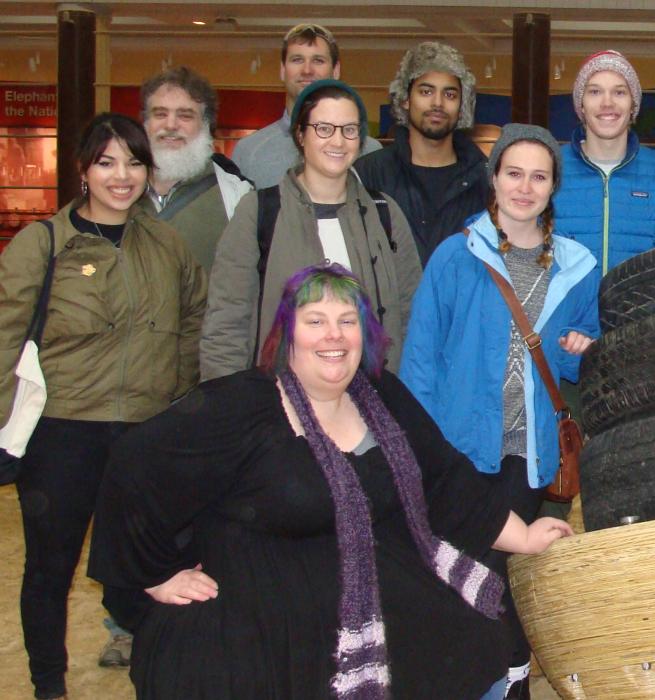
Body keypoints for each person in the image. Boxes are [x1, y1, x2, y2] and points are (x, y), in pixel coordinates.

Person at [89, 263, 572, 700]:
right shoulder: (241, 406)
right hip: (259, 615)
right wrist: (153, 573)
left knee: (478, 642)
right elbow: (135, 466)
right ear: (288, 334)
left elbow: (444, 481)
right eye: (315, 321)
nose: (333, 336)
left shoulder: (381, 395)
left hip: (368, 586)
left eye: (347, 321)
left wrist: (525, 535)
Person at [0, 113, 205, 700]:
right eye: (106, 162)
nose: (122, 176)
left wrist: (177, 393)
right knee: (49, 569)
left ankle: (158, 676)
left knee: (145, 569)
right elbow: (6, 335)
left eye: (134, 162)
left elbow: (195, 317)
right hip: (63, 434)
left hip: (143, 435)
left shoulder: (166, 243)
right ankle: (48, 686)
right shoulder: (43, 243)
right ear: (83, 170)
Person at [400, 123, 600, 699]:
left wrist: (583, 351)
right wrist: (423, 453)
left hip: (526, 455)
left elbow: (582, 363)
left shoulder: (578, 265)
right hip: (457, 449)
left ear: (553, 186)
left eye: (539, 176)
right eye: (514, 173)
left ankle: (508, 686)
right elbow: (422, 360)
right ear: (494, 178)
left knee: (507, 582)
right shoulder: (455, 255)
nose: (524, 186)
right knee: (454, 577)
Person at [202, 79, 420, 380]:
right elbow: (227, 320)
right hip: (278, 403)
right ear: (300, 135)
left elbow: (412, 314)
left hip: (373, 399)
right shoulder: (259, 212)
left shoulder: (384, 213)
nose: (338, 141)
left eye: (349, 129)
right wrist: (226, 404)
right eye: (324, 128)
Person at [356, 41, 491, 263]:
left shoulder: (484, 179)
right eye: (426, 91)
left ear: (462, 105)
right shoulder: (369, 173)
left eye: (450, 95)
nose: (437, 103)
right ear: (406, 100)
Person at [554, 49, 655, 272]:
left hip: (640, 306)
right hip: (567, 307)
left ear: (633, 106)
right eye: (594, 92)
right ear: (581, 105)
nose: (607, 103)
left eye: (619, 93)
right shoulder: (551, 167)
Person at [231, 23, 382, 189]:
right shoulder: (249, 151)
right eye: (297, 60)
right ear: (283, 70)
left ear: (336, 70)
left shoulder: (370, 151)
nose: (307, 70)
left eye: (318, 60)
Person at [138, 66, 254, 272]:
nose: (171, 125)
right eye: (160, 114)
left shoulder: (238, 196)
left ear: (207, 125)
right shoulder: (117, 189)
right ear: (145, 122)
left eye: (185, 116)